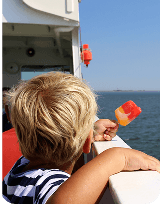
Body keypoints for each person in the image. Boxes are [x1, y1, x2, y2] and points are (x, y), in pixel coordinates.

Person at [2, 72, 160, 204]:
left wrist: (89, 133)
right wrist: (118, 158)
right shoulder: (47, 183)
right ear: (86, 144)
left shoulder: (21, 168)